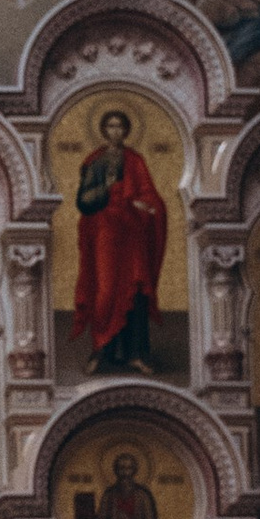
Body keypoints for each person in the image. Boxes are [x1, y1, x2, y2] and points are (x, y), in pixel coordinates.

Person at [71, 110, 167, 373]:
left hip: (132, 232)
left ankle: (136, 353)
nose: (115, 131)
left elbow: (150, 195)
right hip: (105, 232)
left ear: (126, 131)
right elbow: (83, 201)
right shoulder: (95, 161)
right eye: (111, 126)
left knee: (135, 289)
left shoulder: (135, 161)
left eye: (120, 126)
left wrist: (146, 205)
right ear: (103, 130)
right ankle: (102, 350)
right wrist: (107, 188)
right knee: (105, 289)